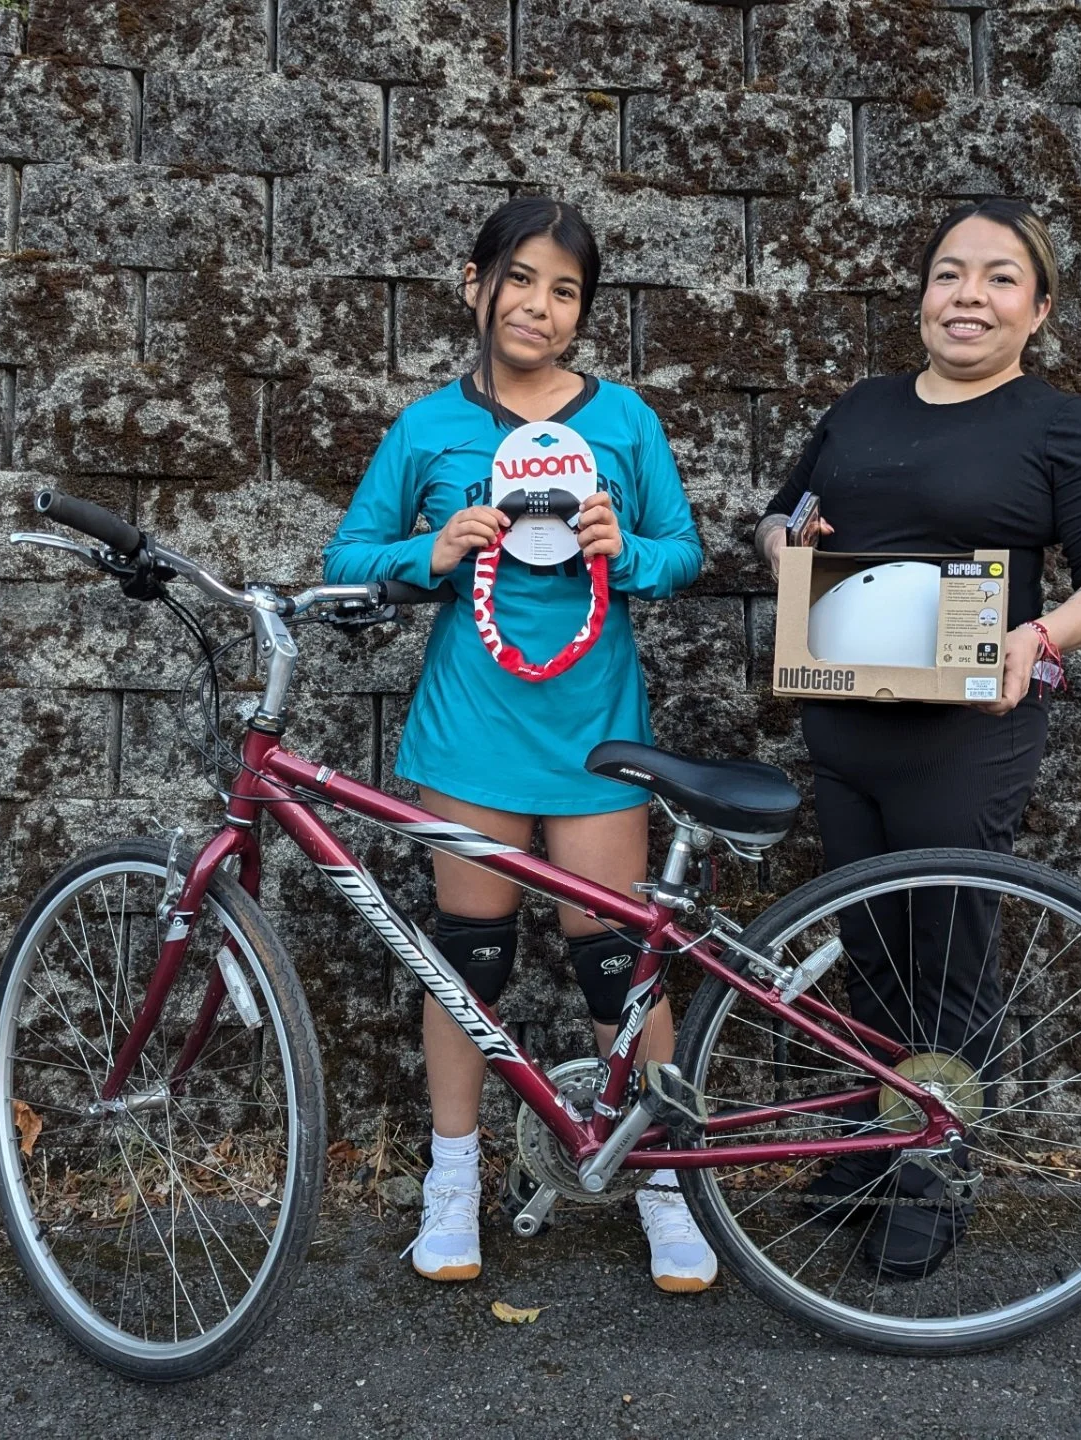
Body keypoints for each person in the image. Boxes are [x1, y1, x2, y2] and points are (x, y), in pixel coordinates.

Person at [755, 198, 1081, 1277]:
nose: (968, 295)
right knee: (869, 946)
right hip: (844, 717)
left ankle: (936, 1169)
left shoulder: (1060, 426)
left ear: (1040, 309)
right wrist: (788, 542)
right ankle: (871, 1146)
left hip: (967, 735)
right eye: (948, 274)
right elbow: (780, 516)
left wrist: (1042, 634)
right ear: (923, 295)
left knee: (948, 950)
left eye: (999, 277)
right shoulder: (862, 406)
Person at [323, 197, 714, 1292]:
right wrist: (430, 550)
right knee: (468, 963)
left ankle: (663, 1180)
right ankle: (453, 1180)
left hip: (596, 734)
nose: (540, 305)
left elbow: (684, 551)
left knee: (618, 961)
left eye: (566, 290)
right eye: (523, 278)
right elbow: (348, 556)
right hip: (472, 729)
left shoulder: (624, 420)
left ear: (584, 311)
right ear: (475, 283)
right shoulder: (426, 427)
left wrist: (627, 548)